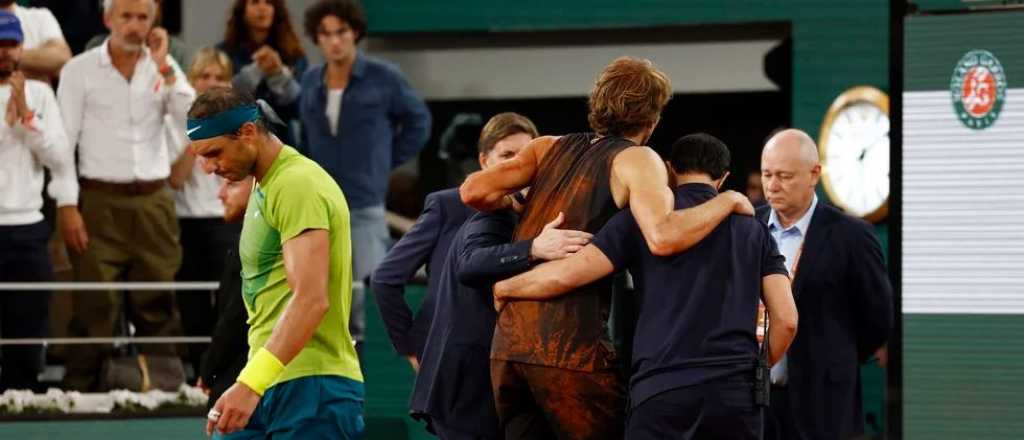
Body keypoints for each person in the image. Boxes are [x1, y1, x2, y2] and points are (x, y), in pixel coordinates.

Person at [459, 57, 752, 439]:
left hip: (508, 349)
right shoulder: (638, 159)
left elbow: (473, 191)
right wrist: (728, 200)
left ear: (596, 103)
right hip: (569, 350)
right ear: (653, 119)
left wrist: (517, 205)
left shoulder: (546, 147)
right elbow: (663, 236)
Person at [495, 133, 799, 440]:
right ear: (723, 178)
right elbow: (786, 320)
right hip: (736, 398)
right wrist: (750, 370)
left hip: (660, 393)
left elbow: (567, 274)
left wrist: (507, 286)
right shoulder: (754, 230)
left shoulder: (639, 220)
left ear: (669, 170)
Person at [190, 88, 363, 438]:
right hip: (269, 378)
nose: (208, 169)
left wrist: (251, 383)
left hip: (312, 385)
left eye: (214, 153)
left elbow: (311, 299)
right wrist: (250, 379)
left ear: (248, 132)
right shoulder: (264, 187)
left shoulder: (297, 183)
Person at [57, 0, 195, 392]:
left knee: (159, 302)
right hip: (99, 199)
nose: (134, 26)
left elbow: (192, 118)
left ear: (153, 23)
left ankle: (165, 396)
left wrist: (166, 67)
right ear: (108, 19)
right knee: (95, 306)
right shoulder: (79, 69)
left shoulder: (163, 67)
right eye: (126, 17)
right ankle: (78, 396)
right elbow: (63, 142)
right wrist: (67, 205)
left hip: (153, 201)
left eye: (142, 18)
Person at [300, 0, 431, 357]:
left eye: (340, 32)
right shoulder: (310, 80)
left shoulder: (383, 76)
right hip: (320, 201)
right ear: (317, 38)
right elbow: (306, 136)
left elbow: (419, 122)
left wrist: (384, 161)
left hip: (363, 201)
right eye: (326, 34)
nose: (334, 41)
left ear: (354, 32)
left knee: (370, 295)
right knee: (324, 292)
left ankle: (372, 371)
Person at [372, 112, 538, 370]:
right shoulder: (448, 206)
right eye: (507, 155)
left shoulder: (542, 214)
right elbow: (385, 279)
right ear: (484, 161)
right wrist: (410, 349)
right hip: (452, 363)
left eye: (525, 155)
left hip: (517, 361)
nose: (516, 164)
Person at [758, 129, 893, 440]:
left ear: (814, 174)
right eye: (767, 175)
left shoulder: (852, 235)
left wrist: (835, 355)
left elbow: (877, 319)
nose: (773, 185)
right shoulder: (747, 227)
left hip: (824, 405)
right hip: (755, 404)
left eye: (784, 176)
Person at [0, 10, 74, 391]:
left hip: (27, 227)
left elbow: (59, 158)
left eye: (11, 44)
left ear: (21, 48)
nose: (4, 51)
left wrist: (27, 118)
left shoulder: (41, 94)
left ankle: (24, 403)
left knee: (27, 331)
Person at [169, 46, 241, 378]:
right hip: (187, 221)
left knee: (230, 301)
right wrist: (197, 137)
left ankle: (227, 373)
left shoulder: (243, 126)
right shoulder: (175, 121)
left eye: (220, 77)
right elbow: (176, 178)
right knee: (192, 303)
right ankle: (199, 373)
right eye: (204, 76)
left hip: (227, 221)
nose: (212, 83)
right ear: (192, 82)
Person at [197, 175, 254, 410]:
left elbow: (236, 317)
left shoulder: (254, 246)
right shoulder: (248, 239)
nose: (220, 194)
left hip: (244, 386)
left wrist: (209, 368)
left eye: (231, 184)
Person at [218, 0, 305, 146]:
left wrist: (279, 75)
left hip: (282, 144)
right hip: (237, 142)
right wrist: (255, 72)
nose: (262, 8)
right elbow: (218, 102)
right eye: (255, 2)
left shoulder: (294, 54)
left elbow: (302, 109)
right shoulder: (225, 53)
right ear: (243, 10)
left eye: (269, 3)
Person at [85, 0, 187, 68]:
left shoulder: (175, 51)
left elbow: (179, 91)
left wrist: (162, 65)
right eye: (126, 16)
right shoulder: (97, 46)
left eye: (142, 17)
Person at [0, 0, 70, 81]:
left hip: (38, 89)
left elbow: (62, 58)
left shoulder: (40, 17)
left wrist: (7, 59)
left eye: (13, 44)